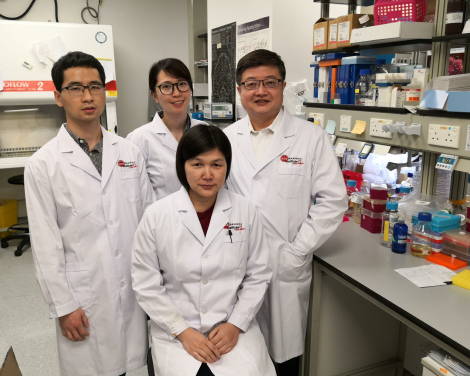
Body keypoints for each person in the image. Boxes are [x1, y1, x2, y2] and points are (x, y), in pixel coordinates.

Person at [24, 51, 156, 376]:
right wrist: (63, 306)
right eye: (75, 88)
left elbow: (150, 223)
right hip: (83, 293)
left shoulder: (129, 152)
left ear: (105, 92)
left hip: (134, 284)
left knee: (129, 365)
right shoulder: (43, 164)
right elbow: (44, 244)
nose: (87, 96)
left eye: (95, 86)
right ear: (58, 96)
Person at [223, 49, 348, 375]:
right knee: (240, 356)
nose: (260, 91)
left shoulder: (311, 138)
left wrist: (296, 251)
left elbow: (333, 201)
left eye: (269, 82)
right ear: (239, 90)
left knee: (283, 358)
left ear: (283, 86)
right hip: (236, 265)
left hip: (285, 266)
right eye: (251, 83)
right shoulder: (225, 139)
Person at [131, 124, 276, 376]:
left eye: (217, 164)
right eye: (197, 164)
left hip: (233, 330)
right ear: (182, 167)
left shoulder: (244, 211)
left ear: (227, 167)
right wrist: (183, 331)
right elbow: (146, 283)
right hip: (176, 334)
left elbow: (259, 274)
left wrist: (235, 324)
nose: (208, 174)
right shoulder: (157, 215)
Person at [127, 58, 207, 200]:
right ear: (154, 95)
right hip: (163, 220)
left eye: (182, 84)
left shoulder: (207, 131)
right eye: (166, 87)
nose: (176, 93)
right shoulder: (139, 139)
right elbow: (136, 195)